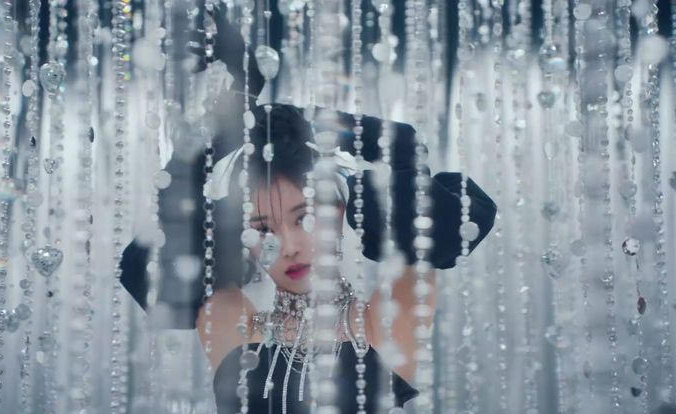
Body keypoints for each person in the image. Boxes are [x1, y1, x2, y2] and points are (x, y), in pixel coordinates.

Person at [119, 3, 497, 412]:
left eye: (304, 218)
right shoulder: (235, 325)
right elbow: (167, 217)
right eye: (262, 228)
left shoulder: (384, 318)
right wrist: (242, 98)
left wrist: (295, 122)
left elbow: (407, 152)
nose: (290, 246)